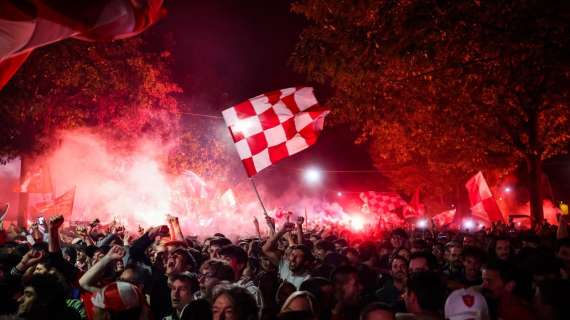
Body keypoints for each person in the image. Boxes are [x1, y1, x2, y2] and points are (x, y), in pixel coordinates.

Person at [262, 222, 312, 289]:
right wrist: (282, 231)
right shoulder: (285, 266)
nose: (292, 259)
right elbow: (265, 249)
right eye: (292, 255)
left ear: (306, 262)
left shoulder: (306, 280)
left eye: (297, 257)